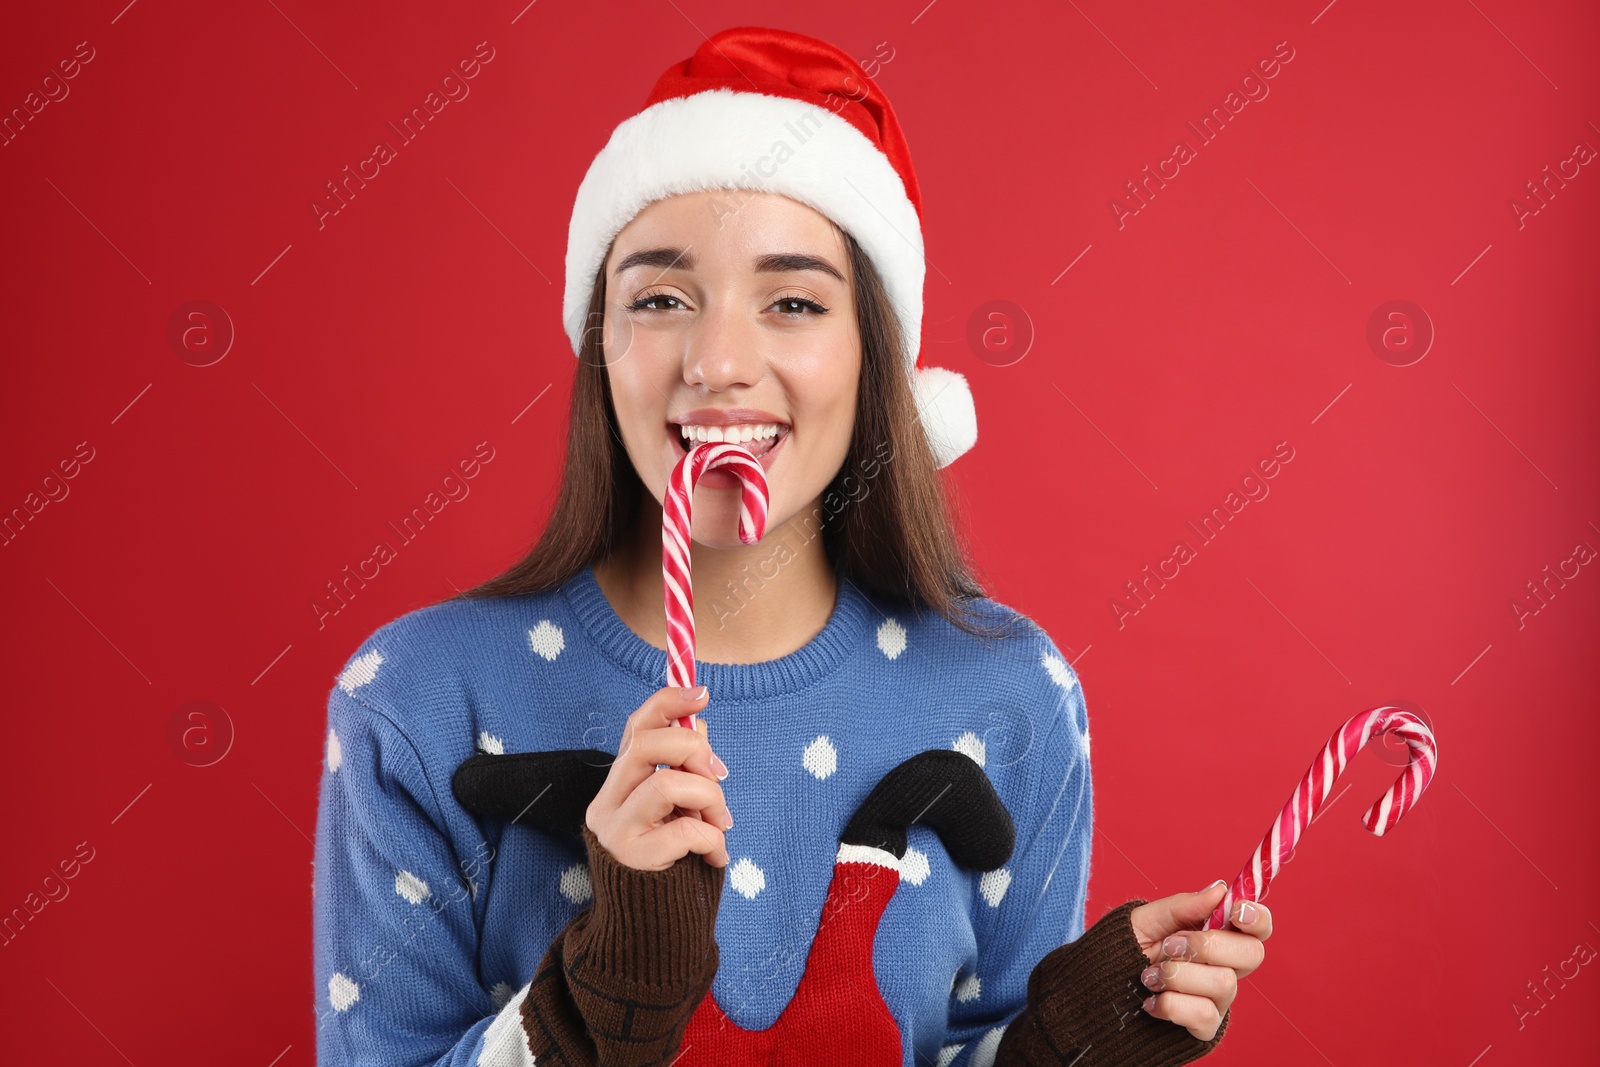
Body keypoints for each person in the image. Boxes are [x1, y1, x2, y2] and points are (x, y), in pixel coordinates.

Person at [312, 25, 1272, 1067]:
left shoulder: (1011, 693)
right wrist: (598, 1003)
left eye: (795, 302)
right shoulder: (416, 698)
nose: (720, 361)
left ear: (875, 358)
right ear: (602, 347)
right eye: (662, 299)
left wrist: (1054, 1044)